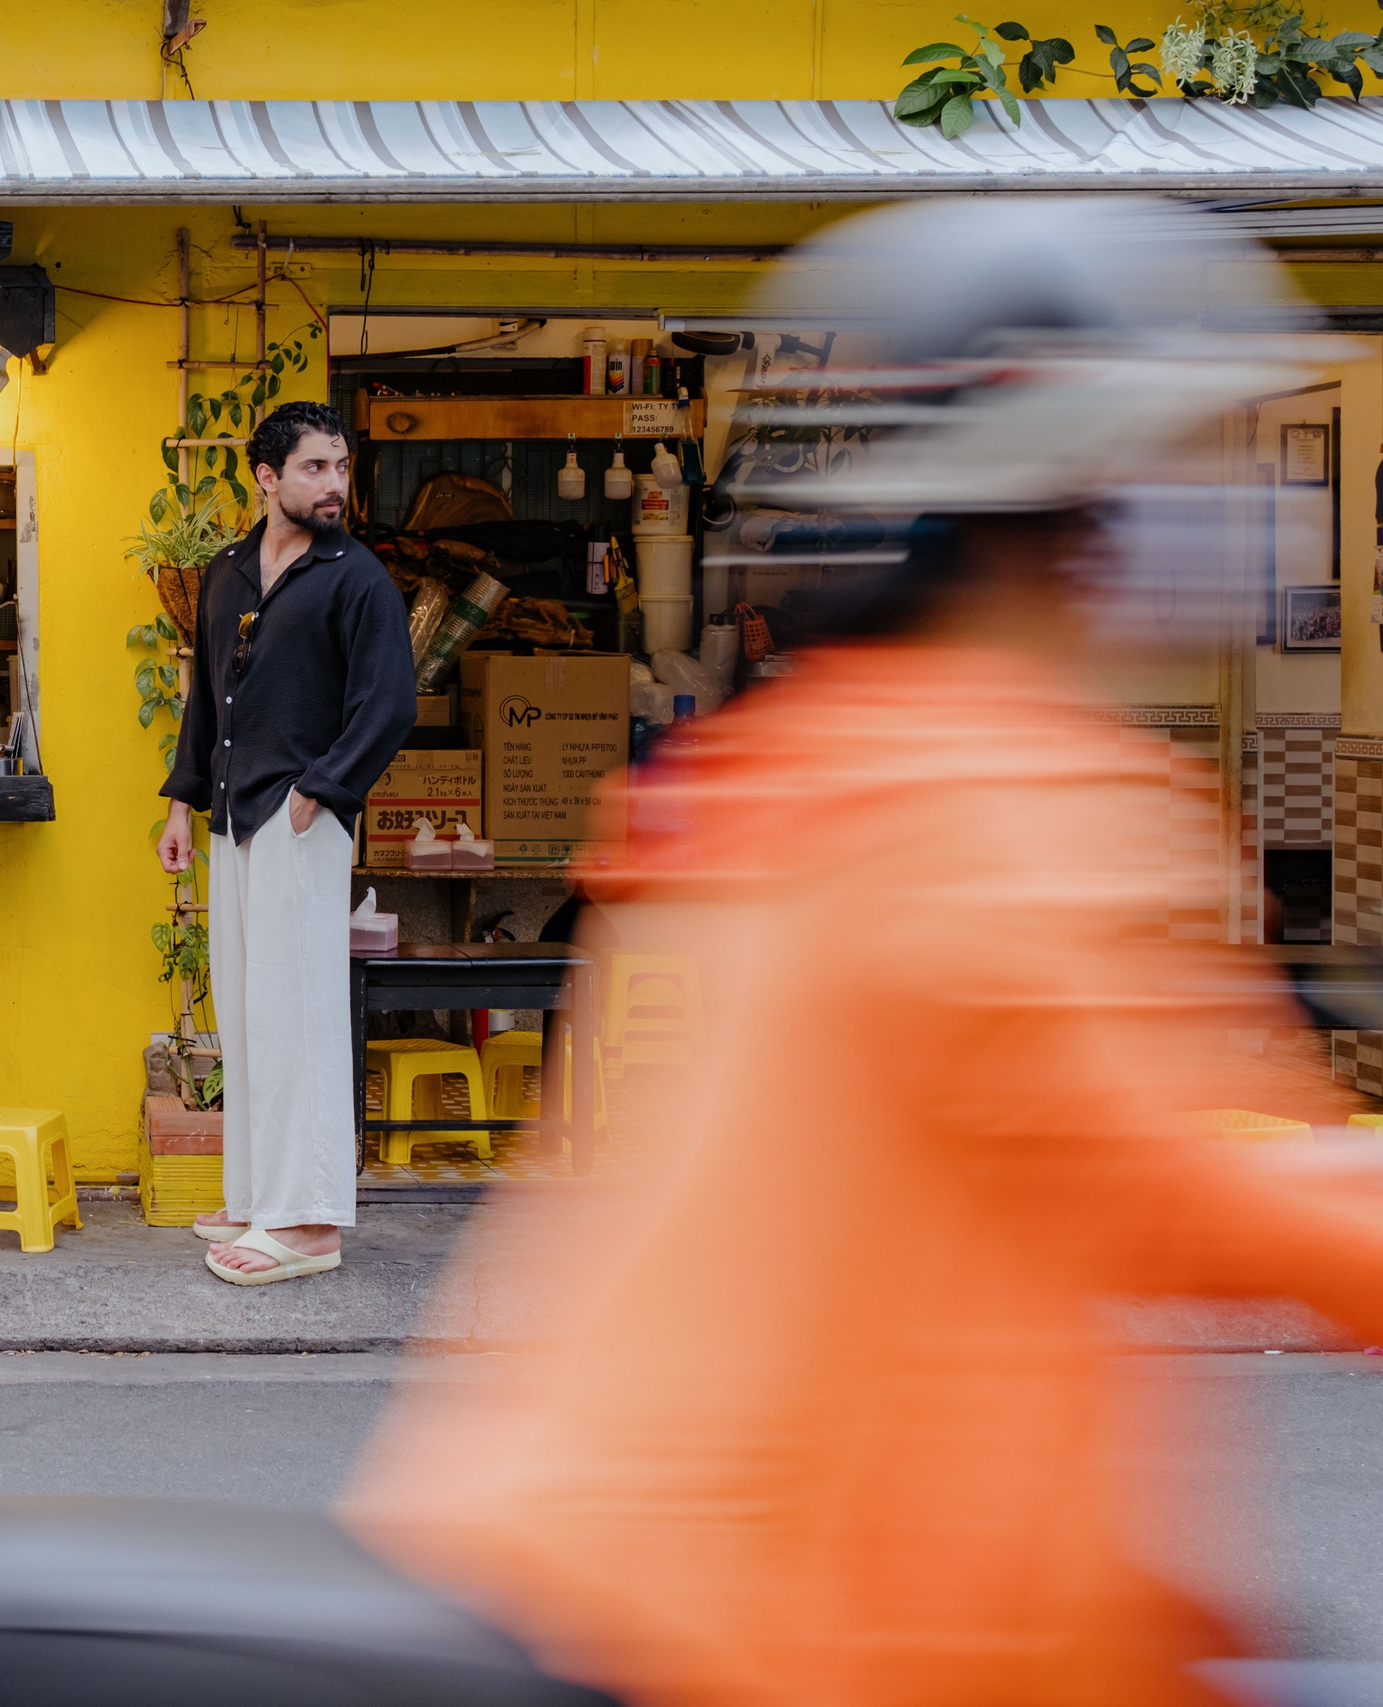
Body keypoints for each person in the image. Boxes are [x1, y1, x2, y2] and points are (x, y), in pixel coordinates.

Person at [343, 198, 1383, 1707]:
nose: (1237, 508)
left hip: (642, 1564)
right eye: (1200, 458)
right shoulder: (997, 799)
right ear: (1095, 490)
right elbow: (1186, 1180)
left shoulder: (832, 759)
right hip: (781, 1618)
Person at [158, 399, 416, 1285]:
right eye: (316, 467)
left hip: (300, 821)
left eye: (341, 467)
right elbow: (207, 698)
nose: (335, 483)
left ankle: (307, 1224)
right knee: (247, 1011)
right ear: (267, 477)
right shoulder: (229, 571)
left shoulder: (358, 578)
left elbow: (389, 705)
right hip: (234, 817)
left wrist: (325, 786)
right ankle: (257, 1192)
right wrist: (181, 805)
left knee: (299, 1016)